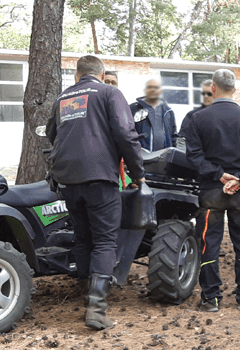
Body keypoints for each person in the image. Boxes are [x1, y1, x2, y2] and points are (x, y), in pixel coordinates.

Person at [45, 55, 146, 331]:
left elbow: (52, 135)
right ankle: (97, 309)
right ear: (101, 75)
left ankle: (84, 291)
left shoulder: (63, 98)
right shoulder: (109, 93)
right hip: (100, 176)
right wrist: (138, 174)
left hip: (68, 179)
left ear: (77, 76)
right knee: (104, 241)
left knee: (83, 235)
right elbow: (126, 134)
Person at [183, 69, 240, 312]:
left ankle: (211, 298)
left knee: (209, 245)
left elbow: (194, 156)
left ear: (213, 88)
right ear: (235, 89)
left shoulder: (197, 118)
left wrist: (219, 175)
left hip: (211, 193)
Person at [131, 79, 177, 151]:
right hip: (141, 157)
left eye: (156, 87)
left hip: (164, 158)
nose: (153, 90)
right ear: (145, 90)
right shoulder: (134, 108)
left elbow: (173, 136)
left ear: (160, 91)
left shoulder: (168, 112)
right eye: (150, 87)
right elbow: (127, 132)